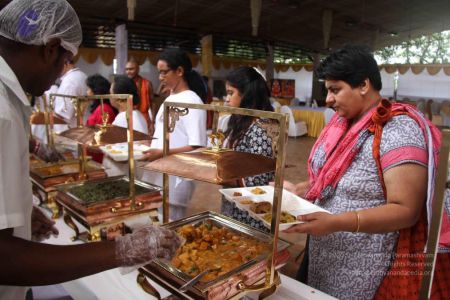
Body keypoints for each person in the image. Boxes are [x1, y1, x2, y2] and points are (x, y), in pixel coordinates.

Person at [0, 1, 181, 299]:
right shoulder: (4, 111)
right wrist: (121, 249)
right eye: (64, 61)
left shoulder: (10, 98)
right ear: (50, 48)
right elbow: (5, 259)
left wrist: (17, 211)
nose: (60, 76)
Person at [283, 45, 450, 299]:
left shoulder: (397, 130)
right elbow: (332, 179)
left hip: (364, 265)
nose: (328, 99)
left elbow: (406, 210)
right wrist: (300, 189)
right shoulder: (344, 124)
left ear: (363, 85)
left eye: (334, 89)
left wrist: (336, 222)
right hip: (325, 251)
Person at [140, 48, 207, 220]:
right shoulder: (169, 99)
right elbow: (167, 134)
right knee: (156, 223)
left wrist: (162, 152)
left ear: (179, 71)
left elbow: (197, 146)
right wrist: (151, 144)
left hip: (177, 177)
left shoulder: (192, 101)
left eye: (164, 72)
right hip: (159, 172)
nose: (160, 77)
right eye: (159, 73)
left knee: (171, 226)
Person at [220, 67, 275, 231]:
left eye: (231, 93)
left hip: (251, 210)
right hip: (234, 201)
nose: (227, 99)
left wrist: (227, 177)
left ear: (246, 94)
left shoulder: (260, 127)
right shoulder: (241, 121)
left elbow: (260, 177)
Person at [85, 74, 117, 163]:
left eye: (88, 89)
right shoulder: (100, 108)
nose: (87, 92)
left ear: (95, 91)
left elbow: (103, 141)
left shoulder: (103, 109)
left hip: (98, 159)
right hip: (93, 156)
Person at [53, 58, 87, 130]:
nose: (54, 69)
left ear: (66, 63)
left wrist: (45, 118)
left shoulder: (69, 81)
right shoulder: (82, 75)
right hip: (79, 128)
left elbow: (63, 114)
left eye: (56, 65)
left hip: (68, 132)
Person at [125, 59, 155, 133]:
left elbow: (152, 103)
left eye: (131, 69)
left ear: (138, 69)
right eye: (127, 69)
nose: (128, 71)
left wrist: (152, 122)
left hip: (144, 118)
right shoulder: (124, 84)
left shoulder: (147, 83)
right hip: (128, 118)